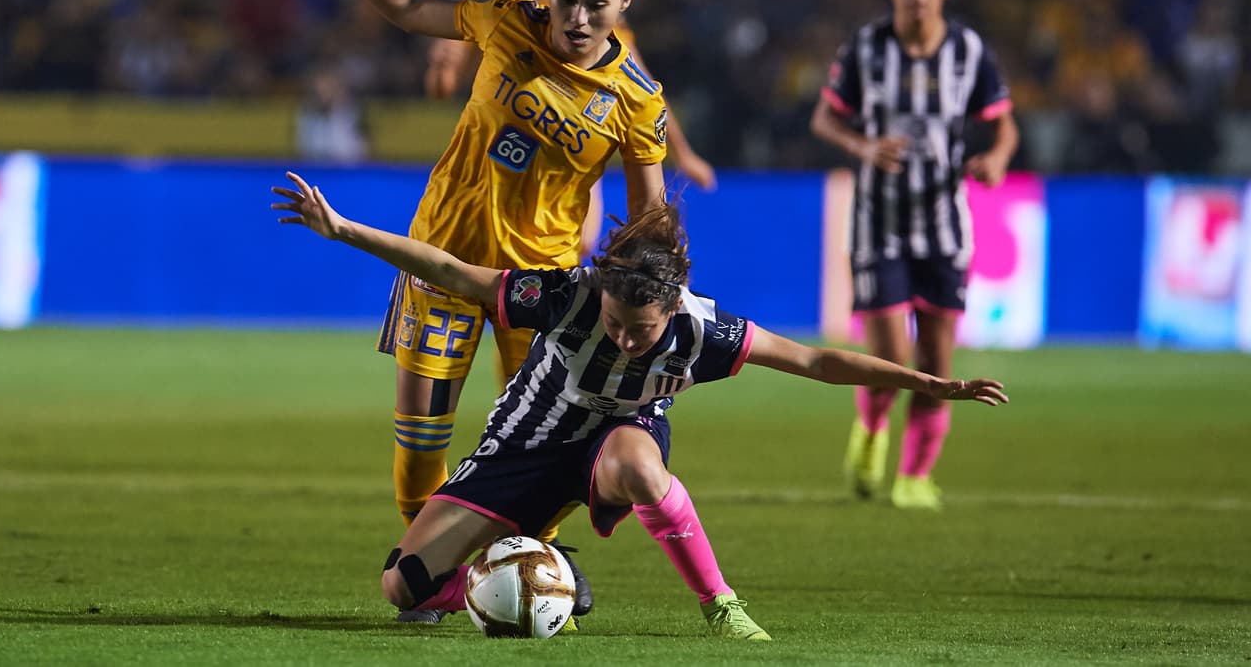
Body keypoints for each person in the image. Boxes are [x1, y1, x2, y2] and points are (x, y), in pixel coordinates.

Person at [270, 171, 1007, 640]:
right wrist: (345, 231)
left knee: (637, 463)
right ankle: (534, 572)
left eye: (639, 328)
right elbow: (453, 270)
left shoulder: (700, 327)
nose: (624, 337)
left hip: (616, 438)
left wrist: (928, 383)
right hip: (525, 443)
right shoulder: (562, 294)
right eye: (616, 320)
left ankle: (721, 604)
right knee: (404, 588)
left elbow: (814, 358)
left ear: (668, 310)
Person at [251, 0, 669, 622]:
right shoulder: (503, 19)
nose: (575, 19)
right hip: (441, 263)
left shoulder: (636, 100)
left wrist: (639, 305)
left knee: (544, 448)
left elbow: (649, 220)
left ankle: (543, 561)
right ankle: (437, 571)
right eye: (565, 0)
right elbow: (411, 7)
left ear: (624, 2)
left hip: (540, 291)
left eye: (594, 7)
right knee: (421, 440)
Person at [809, 0, 1019, 511]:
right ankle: (872, 429)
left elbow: (1004, 125)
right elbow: (824, 118)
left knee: (937, 363)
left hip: (945, 226)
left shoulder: (969, 52)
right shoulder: (866, 49)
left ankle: (914, 475)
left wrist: (997, 158)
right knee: (888, 362)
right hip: (878, 223)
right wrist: (863, 146)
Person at [424, 0, 717, 258]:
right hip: (498, 160)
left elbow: (641, 86)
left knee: (575, 247)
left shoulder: (596, 17)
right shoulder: (493, 9)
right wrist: (441, 67)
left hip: (566, 159)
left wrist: (682, 153)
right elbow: (442, 91)